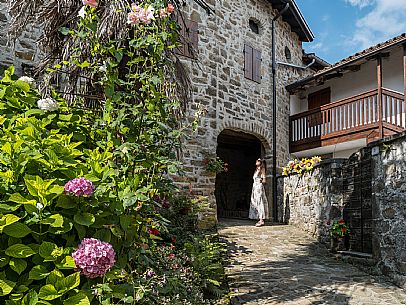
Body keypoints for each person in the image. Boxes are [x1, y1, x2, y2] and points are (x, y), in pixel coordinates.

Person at [248, 158, 269, 227]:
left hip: (259, 188)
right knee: (255, 202)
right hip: (255, 188)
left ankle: (261, 220)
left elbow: (264, 180)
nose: (256, 161)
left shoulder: (262, 169)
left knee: (260, 202)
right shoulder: (256, 170)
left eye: (258, 160)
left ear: (260, 162)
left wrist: (260, 181)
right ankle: (258, 218)